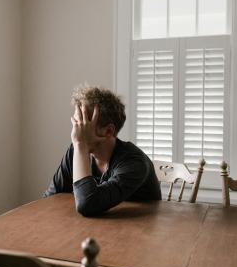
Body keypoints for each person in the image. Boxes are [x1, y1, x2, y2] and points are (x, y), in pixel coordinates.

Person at [44, 85, 161, 216]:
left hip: (140, 230)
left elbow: (87, 204)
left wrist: (80, 144)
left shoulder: (134, 162)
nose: (76, 132)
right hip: (94, 227)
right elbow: (50, 199)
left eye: (83, 124)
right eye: (76, 123)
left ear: (108, 131)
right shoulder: (76, 150)